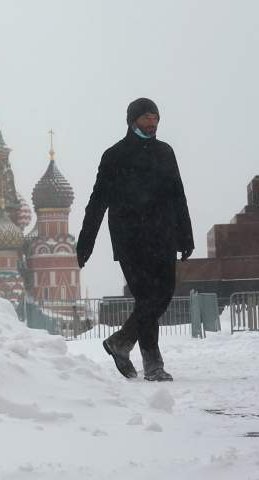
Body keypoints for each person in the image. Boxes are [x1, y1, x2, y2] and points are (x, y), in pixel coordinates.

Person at [76, 98, 194, 382]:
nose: (152, 123)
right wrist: (84, 246)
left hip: (163, 235)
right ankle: (153, 364)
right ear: (133, 120)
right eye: (147, 118)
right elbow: (97, 202)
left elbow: (177, 194)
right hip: (130, 238)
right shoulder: (114, 155)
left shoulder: (165, 152)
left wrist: (185, 234)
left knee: (162, 293)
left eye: (156, 118)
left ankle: (121, 342)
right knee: (147, 298)